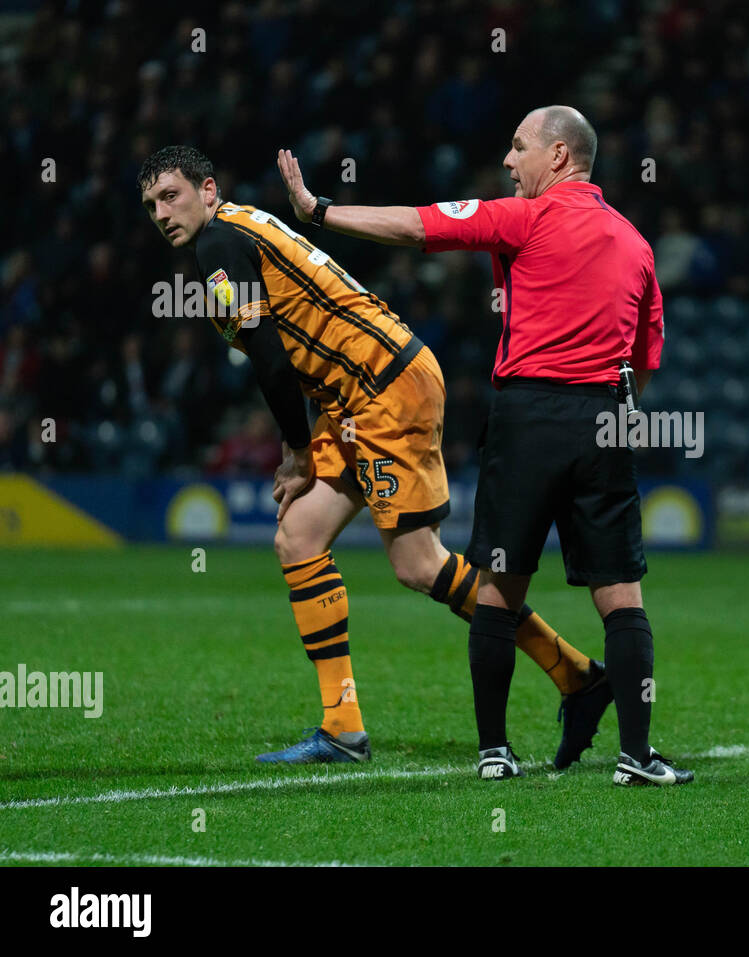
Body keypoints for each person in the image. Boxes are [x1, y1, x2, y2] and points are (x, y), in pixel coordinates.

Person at [138, 145, 610, 766]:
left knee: (417, 565)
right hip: (356, 393)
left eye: (171, 196)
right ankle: (343, 728)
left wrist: (298, 452)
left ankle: (576, 674)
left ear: (208, 188)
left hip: (385, 386)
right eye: (150, 205)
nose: (161, 213)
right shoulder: (240, 228)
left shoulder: (218, 246)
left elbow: (272, 363)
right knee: (299, 537)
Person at [276, 105, 693, 785]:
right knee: (622, 596)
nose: (507, 160)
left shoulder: (523, 218)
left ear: (558, 156)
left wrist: (318, 210)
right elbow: (645, 360)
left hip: (527, 416)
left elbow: (415, 225)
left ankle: (495, 753)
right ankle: (637, 756)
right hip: (606, 416)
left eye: (518, 147)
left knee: (498, 590)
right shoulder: (638, 244)